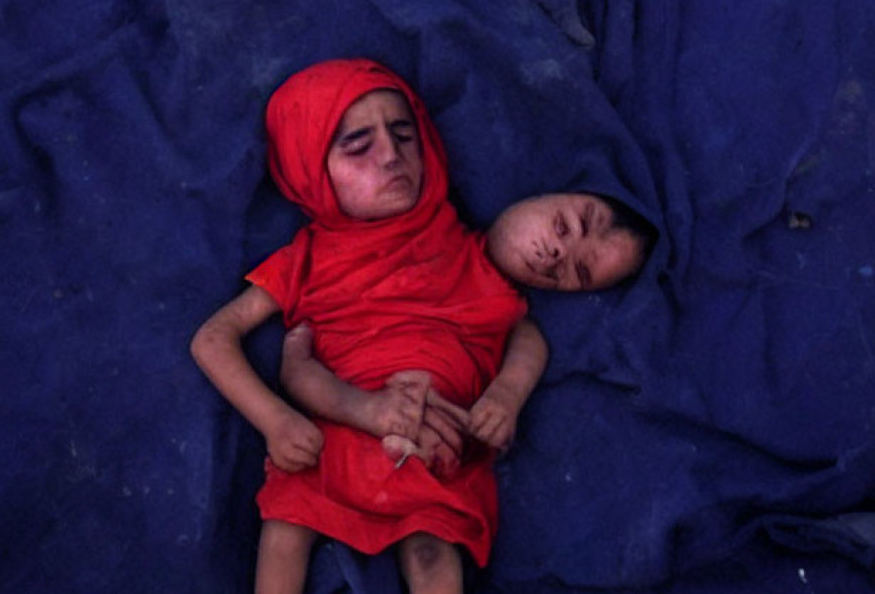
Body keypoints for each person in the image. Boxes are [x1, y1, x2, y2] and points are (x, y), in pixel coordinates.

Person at [191, 58, 549, 594]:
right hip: (333, 427)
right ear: (311, 170)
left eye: (405, 135)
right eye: (358, 146)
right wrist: (275, 421)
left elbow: (522, 327)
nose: (391, 156)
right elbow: (212, 338)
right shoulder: (305, 259)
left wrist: (506, 396)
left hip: (431, 436)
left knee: (431, 548)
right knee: (286, 526)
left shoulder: (456, 244)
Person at [278, 190, 655, 482]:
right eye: (564, 226)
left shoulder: (506, 304)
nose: (558, 253)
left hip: (419, 446)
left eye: (579, 273)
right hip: (337, 409)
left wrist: (505, 396)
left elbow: (529, 342)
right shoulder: (427, 216)